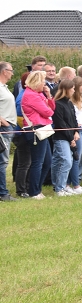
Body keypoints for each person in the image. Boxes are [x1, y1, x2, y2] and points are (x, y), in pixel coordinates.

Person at [21, 70, 55, 199]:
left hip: (43, 128)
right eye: (42, 82)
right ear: (36, 82)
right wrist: (48, 106)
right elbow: (48, 112)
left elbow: (52, 108)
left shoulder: (38, 94)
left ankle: (37, 189)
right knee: (38, 162)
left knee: (47, 162)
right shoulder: (31, 95)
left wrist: (49, 96)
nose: (44, 84)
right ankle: (34, 191)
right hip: (35, 129)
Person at [51, 80, 79, 196]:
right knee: (66, 160)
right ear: (66, 89)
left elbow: (73, 119)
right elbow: (60, 124)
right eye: (72, 88)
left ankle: (61, 185)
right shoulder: (58, 104)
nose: (74, 90)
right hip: (61, 137)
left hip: (70, 135)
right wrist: (70, 138)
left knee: (61, 161)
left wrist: (76, 131)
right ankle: (59, 188)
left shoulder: (69, 103)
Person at [67, 77, 82, 195]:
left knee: (78, 157)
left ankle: (72, 183)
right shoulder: (71, 101)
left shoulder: (81, 99)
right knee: (76, 158)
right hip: (78, 131)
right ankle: (74, 184)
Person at [0, 61, 18, 201]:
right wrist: (4, 121)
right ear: (4, 71)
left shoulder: (4, 87)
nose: (12, 73)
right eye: (11, 70)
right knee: (3, 161)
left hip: (9, 126)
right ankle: (3, 193)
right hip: (4, 127)